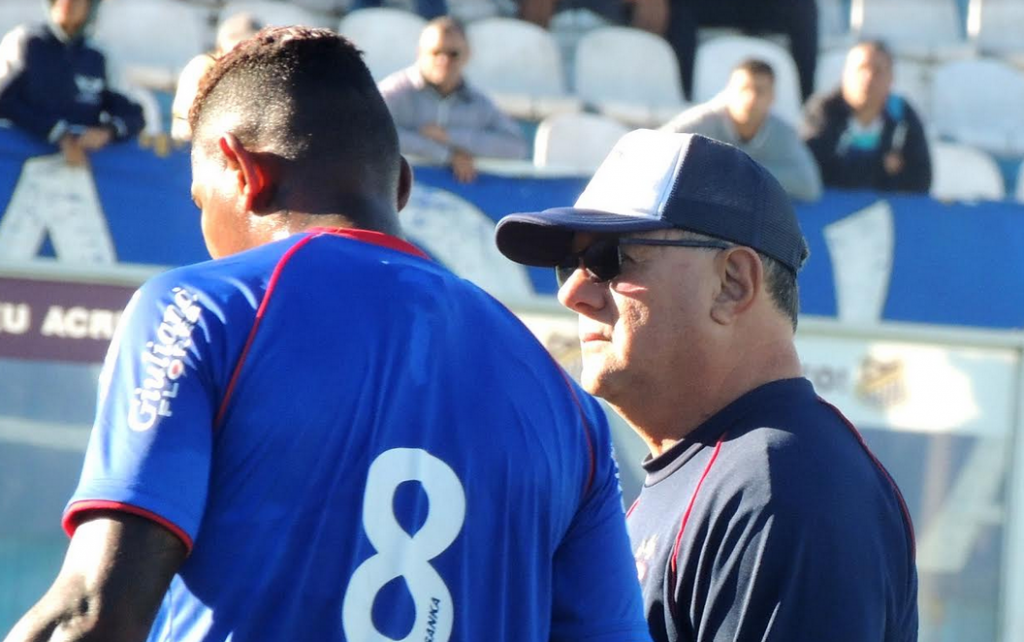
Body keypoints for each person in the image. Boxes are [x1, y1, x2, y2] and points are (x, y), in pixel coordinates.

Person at [3, 27, 651, 642]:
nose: (205, 231)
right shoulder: (570, 411)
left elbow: (91, 615)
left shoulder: (198, 310)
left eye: (202, 201)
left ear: (242, 172)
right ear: (401, 184)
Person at [494, 130, 918, 642]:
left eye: (608, 258)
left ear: (732, 283)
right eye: (570, 265)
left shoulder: (782, 484)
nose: (572, 293)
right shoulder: (728, 472)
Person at [377, 17, 528, 184]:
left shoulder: (477, 102)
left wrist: (449, 136)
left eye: (453, 54)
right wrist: (446, 155)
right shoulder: (395, 92)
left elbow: (516, 147)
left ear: (468, 55)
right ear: (419, 53)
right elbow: (371, 134)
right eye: (435, 52)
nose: (443, 61)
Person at [0, 0, 144, 166]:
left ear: (90, 7)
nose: (68, 3)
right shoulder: (26, 41)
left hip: (77, 168)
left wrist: (108, 131)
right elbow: (4, 101)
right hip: (18, 164)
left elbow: (134, 116)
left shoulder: (98, 55)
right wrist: (58, 134)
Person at [661, 58, 822, 201]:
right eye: (744, 88)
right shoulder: (700, 123)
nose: (750, 98)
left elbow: (809, 187)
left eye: (759, 91)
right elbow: (655, 152)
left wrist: (744, 172)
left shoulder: (783, 133)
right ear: (728, 92)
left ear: (772, 97)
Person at [802, 40, 931, 193]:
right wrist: (881, 166)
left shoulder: (902, 115)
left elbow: (921, 180)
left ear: (891, 79)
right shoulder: (823, 110)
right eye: (861, 68)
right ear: (845, 74)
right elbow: (810, 172)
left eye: (877, 71)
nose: (868, 78)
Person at [170, 12, 262, 142]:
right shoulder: (203, 66)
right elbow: (185, 128)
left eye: (252, 44)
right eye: (240, 44)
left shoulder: (259, 73)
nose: (245, 51)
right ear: (222, 44)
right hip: (202, 145)